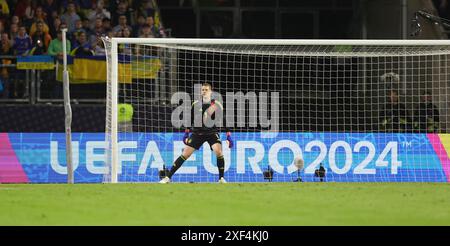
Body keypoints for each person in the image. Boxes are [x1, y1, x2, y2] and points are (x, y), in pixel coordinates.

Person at [159, 82, 233, 184]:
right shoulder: (196, 104)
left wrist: (228, 135)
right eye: (203, 90)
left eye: (206, 90)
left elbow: (224, 119)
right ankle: (168, 178)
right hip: (197, 133)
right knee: (185, 154)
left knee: (218, 151)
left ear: (211, 91)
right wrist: (186, 133)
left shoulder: (216, 104)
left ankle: (221, 179)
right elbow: (190, 119)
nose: (204, 92)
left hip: (211, 133)